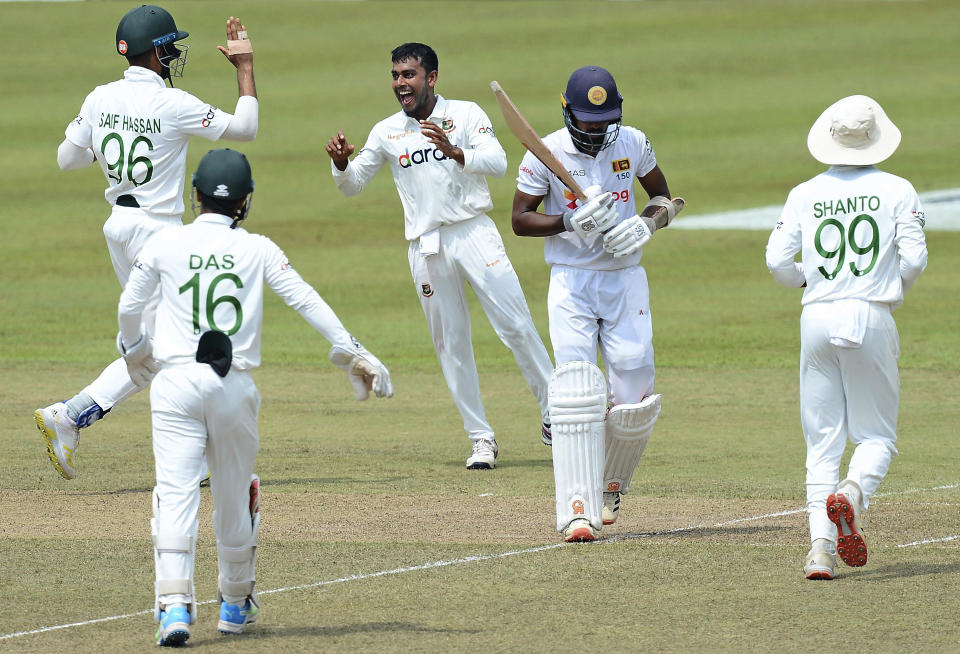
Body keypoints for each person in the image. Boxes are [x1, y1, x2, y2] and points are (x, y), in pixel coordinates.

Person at [118, 148, 393, 645]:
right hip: (233, 386)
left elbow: (129, 305)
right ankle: (234, 603)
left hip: (176, 381)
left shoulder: (165, 242)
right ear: (244, 201)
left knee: (175, 492)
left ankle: (174, 607)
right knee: (232, 495)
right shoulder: (259, 248)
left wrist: (135, 349)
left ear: (196, 193)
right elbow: (305, 298)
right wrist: (353, 352)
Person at [34, 4, 260, 481]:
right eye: (170, 46)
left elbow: (66, 160)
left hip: (119, 225)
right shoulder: (172, 105)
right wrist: (244, 69)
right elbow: (245, 129)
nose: (174, 54)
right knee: (176, 345)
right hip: (158, 232)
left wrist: (103, 139)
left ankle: (180, 453)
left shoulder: (100, 97)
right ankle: (72, 415)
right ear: (156, 53)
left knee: (169, 345)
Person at [325, 42, 554, 470]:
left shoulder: (466, 114)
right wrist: (341, 165)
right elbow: (353, 184)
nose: (400, 84)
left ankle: (552, 414)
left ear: (431, 78)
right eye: (395, 76)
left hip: (474, 233)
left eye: (408, 75)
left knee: (517, 325)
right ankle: (480, 438)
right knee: (451, 344)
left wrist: (455, 151)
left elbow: (499, 162)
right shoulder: (386, 131)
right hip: (426, 246)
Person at [512, 66, 682, 542]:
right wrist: (568, 221)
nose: (595, 130)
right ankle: (576, 509)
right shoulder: (545, 152)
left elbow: (665, 197)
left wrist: (648, 224)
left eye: (602, 120)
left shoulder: (632, 142)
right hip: (572, 280)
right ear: (567, 113)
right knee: (577, 391)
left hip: (625, 277)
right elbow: (520, 220)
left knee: (633, 385)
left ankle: (610, 484)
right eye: (586, 121)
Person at [765, 95, 927, 580]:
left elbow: (776, 262)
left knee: (821, 443)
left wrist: (808, 280)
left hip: (815, 316)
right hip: (869, 313)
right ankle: (853, 492)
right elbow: (915, 260)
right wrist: (888, 291)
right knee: (876, 435)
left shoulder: (803, 192)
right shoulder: (898, 189)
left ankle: (820, 551)